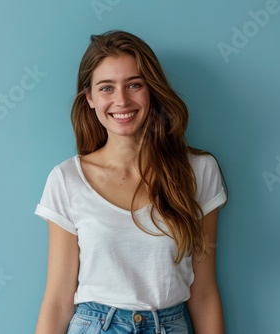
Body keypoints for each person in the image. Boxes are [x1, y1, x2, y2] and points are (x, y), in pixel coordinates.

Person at [34, 30, 227, 334]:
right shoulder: (66, 180)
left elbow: (203, 294)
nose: (121, 100)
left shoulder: (199, 172)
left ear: (151, 91)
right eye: (106, 88)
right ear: (90, 99)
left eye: (134, 85)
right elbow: (58, 300)